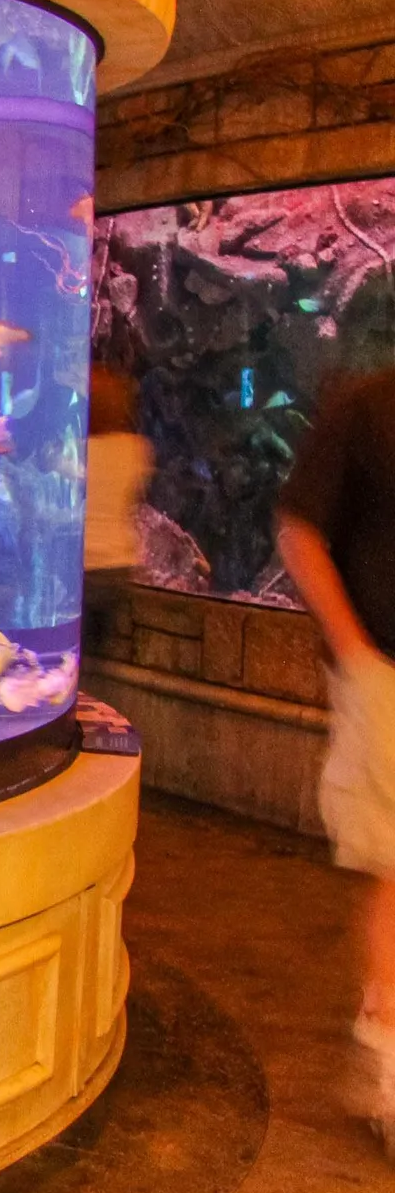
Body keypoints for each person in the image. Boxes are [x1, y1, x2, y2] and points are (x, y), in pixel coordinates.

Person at [275, 366, 395, 1145]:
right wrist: (356, 654)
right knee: (393, 861)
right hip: (386, 671)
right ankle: (389, 1067)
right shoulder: (370, 405)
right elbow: (298, 527)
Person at [84, 361, 153, 640]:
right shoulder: (136, 449)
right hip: (118, 568)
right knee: (101, 647)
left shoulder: (80, 451)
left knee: (79, 653)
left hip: (84, 567)